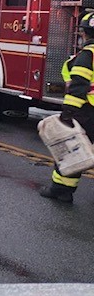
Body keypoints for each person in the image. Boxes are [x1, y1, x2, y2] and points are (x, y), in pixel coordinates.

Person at [40, 13, 94, 203]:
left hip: (87, 111)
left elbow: (78, 86)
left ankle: (62, 190)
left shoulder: (88, 55)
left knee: (72, 150)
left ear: (84, 34)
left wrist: (68, 113)